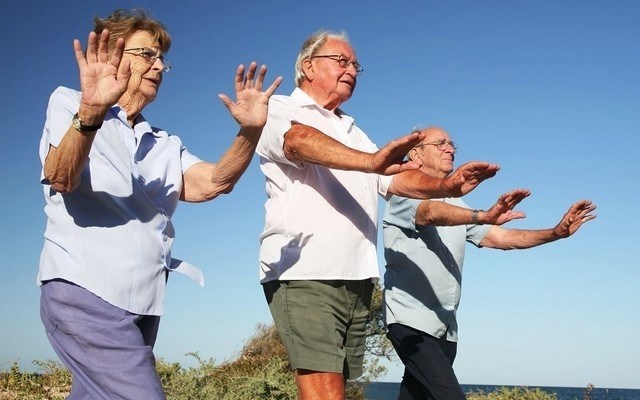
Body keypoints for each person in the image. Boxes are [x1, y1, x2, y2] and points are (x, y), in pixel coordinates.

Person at [37, 9, 281, 399]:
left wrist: (250, 132)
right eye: (147, 54)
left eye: (161, 58)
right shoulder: (71, 103)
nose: (158, 66)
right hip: (84, 290)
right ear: (114, 53)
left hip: (143, 302)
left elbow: (216, 182)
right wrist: (91, 114)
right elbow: (62, 177)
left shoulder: (164, 142)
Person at [255, 29, 500, 399]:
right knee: (325, 390)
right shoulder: (280, 109)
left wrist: (446, 187)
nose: (351, 69)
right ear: (308, 67)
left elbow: (394, 179)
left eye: (356, 64)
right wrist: (370, 162)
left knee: (338, 386)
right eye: (341, 61)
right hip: (304, 270)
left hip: (356, 277)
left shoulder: (351, 129)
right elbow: (298, 141)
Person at [382, 126, 597, 400]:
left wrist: (556, 233)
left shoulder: (457, 203)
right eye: (440, 143)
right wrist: (481, 215)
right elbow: (429, 213)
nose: (449, 148)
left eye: (451, 144)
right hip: (411, 324)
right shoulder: (405, 193)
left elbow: (502, 238)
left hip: (446, 332)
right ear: (416, 154)